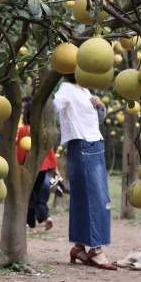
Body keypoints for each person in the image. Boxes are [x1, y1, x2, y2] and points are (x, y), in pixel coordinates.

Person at [53, 73, 117, 270]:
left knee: (82, 198)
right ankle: (96, 251)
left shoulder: (85, 90)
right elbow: (55, 106)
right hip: (82, 146)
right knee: (98, 199)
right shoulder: (66, 89)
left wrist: (100, 107)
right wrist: (44, 93)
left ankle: (79, 248)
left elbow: (96, 120)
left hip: (93, 144)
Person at [17, 98, 56, 233]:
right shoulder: (42, 130)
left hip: (29, 168)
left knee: (29, 197)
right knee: (38, 195)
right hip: (43, 167)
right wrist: (54, 167)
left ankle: (32, 227)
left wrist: (18, 166)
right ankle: (46, 217)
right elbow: (49, 150)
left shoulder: (24, 131)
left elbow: (21, 152)